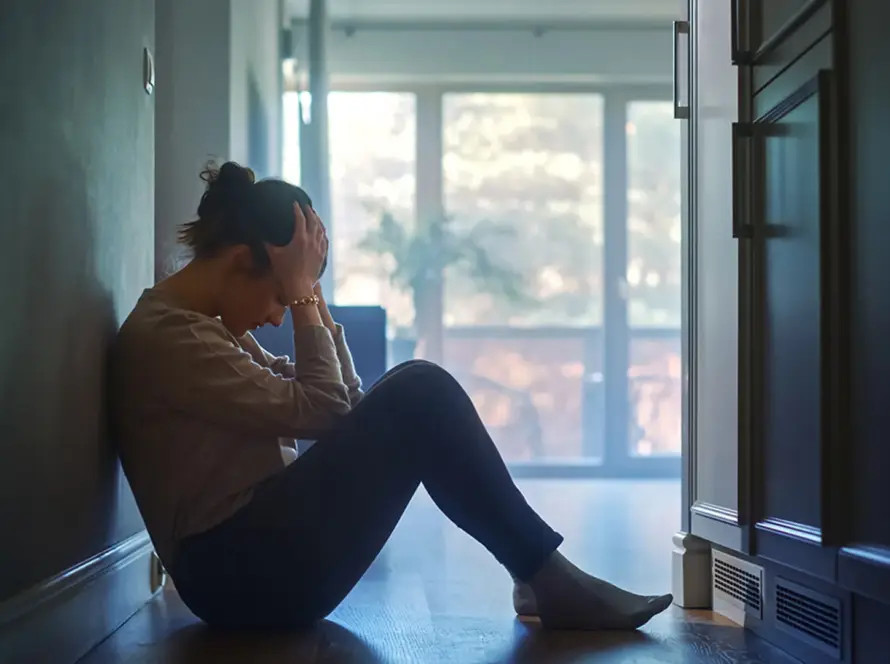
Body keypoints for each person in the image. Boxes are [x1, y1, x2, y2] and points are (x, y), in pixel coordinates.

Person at [111, 161, 673, 631]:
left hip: (254, 562)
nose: (276, 316)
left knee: (416, 388)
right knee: (421, 388)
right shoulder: (172, 337)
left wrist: (312, 299)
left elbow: (343, 409)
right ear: (239, 262)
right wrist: (304, 296)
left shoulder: (203, 329)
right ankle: (544, 577)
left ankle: (539, 576)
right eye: (281, 297)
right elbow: (327, 408)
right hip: (238, 579)